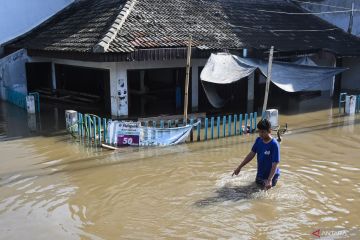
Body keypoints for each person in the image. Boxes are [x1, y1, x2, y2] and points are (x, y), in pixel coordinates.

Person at [232, 119, 280, 190]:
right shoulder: (258, 140)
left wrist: (269, 180)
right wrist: (239, 167)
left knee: (262, 197)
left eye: (263, 132)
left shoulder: (274, 144)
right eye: (259, 131)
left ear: (269, 130)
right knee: (251, 191)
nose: (260, 134)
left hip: (271, 176)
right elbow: (251, 154)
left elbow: (275, 163)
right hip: (260, 174)